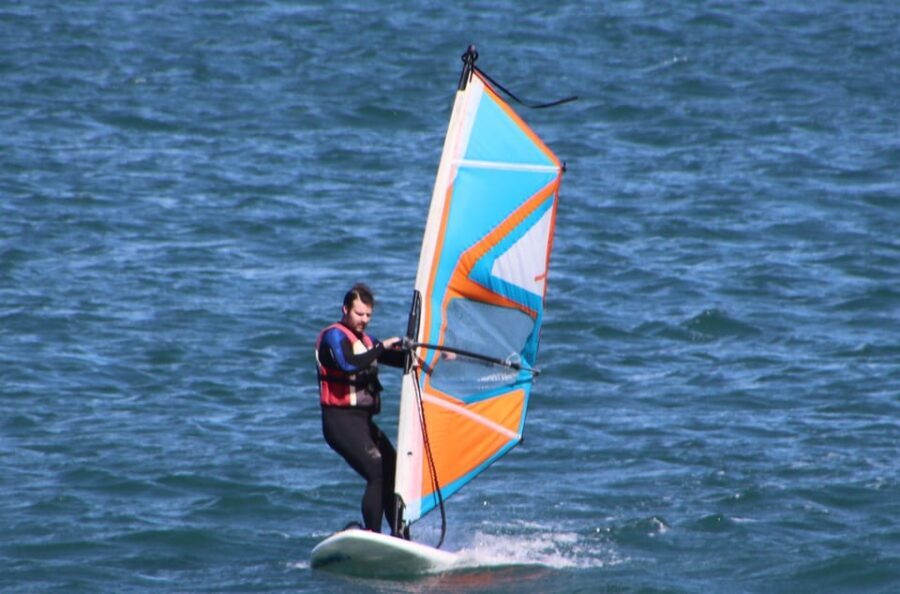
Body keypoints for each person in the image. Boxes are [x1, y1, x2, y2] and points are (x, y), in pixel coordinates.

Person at [315, 283, 406, 535]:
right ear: (345, 309)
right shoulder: (333, 337)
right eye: (359, 314)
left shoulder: (367, 342)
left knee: (394, 469)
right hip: (339, 421)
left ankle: (400, 536)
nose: (364, 320)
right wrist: (381, 347)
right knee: (375, 469)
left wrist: (431, 355)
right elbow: (348, 364)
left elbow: (399, 360)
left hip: (363, 422)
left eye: (368, 315)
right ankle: (372, 534)